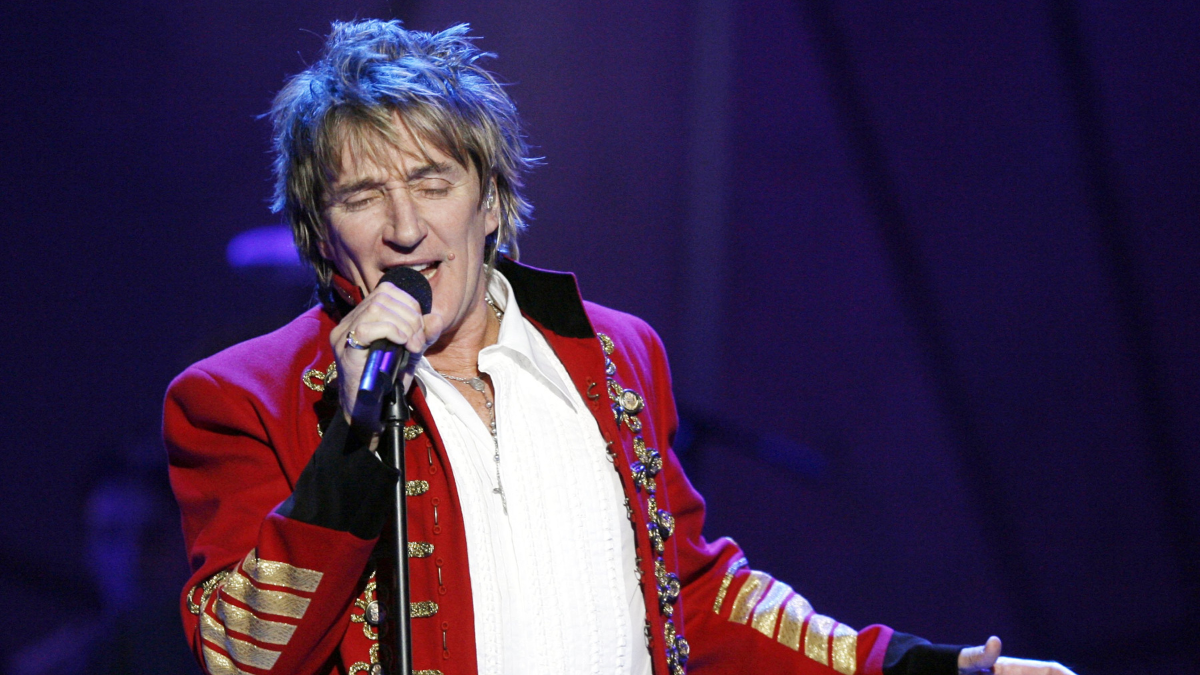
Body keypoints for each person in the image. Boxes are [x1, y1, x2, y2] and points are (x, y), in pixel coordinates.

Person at [163, 19, 1076, 675]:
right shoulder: (242, 397)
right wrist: (354, 438)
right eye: (362, 197)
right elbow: (246, 656)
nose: (405, 226)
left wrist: (920, 665)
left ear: (490, 202)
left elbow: (693, 594)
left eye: (432, 182)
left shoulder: (612, 354)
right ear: (320, 234)